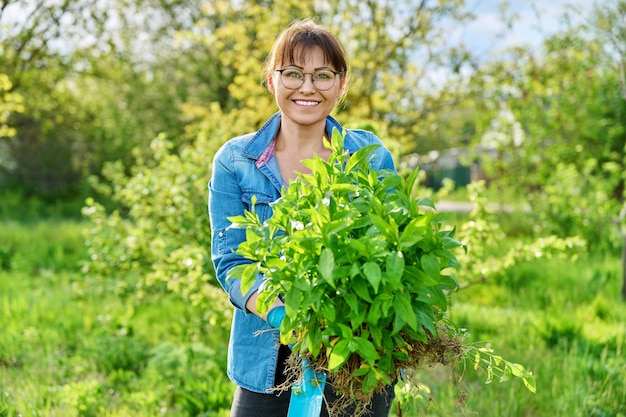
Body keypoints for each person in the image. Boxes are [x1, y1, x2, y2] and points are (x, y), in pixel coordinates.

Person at [209, 18, 397, 417]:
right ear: (271, 80)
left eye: (322, 75)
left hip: (356, 358)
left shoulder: (369, 156)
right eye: (293, 73)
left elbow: (393, 248)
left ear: (341, 83)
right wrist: (281, 313)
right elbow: (231, 262)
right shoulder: (235, 161)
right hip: (266, 363)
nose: (307, 87)